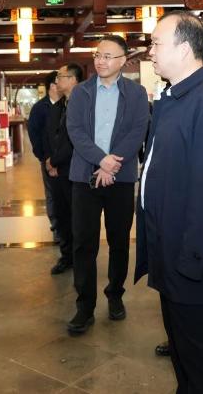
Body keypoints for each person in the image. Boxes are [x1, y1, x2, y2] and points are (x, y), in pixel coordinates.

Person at [135, 11, 203, 394]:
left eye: (156, 43)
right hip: (170, 250)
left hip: (192, 259)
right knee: (182, 350)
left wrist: (190, 261)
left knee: (200, 357)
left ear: (183, 49)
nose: (150, 51)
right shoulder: (174, 97)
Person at [65, 35, 149, 335]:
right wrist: (102, 160)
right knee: (83, 243)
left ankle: (115, 295)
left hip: (120, 178)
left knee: (119, 240)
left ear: (123, 60)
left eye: (108, 56)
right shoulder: (81, 92)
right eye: (97, 55)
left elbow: (138, 131)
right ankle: (84, 306)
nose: (100, 61)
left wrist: (112, 164)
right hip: (84, 178)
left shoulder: (136, 93)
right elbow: (75, 130)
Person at [44, 63, 85, 275]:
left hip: (74, 170)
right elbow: (50, 137)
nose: (57, 80)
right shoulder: (58, 106)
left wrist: (55, 161)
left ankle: (80, 259)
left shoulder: (83, 105)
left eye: (61, 76)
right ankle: (66, 256)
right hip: (56, 170)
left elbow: (74, 140)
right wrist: (48, 161)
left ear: (73, 80)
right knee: (61, 215)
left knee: (77, 217)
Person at [28, 71, 60, 241]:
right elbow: (34, 136)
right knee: (52, 194)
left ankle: (69, 228)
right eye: (60, 80)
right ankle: (56, 228)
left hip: (66, 159)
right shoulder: (39, 108)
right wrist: (44, 158)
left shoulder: (67, 104)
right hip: (48, 160)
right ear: (52, 86)